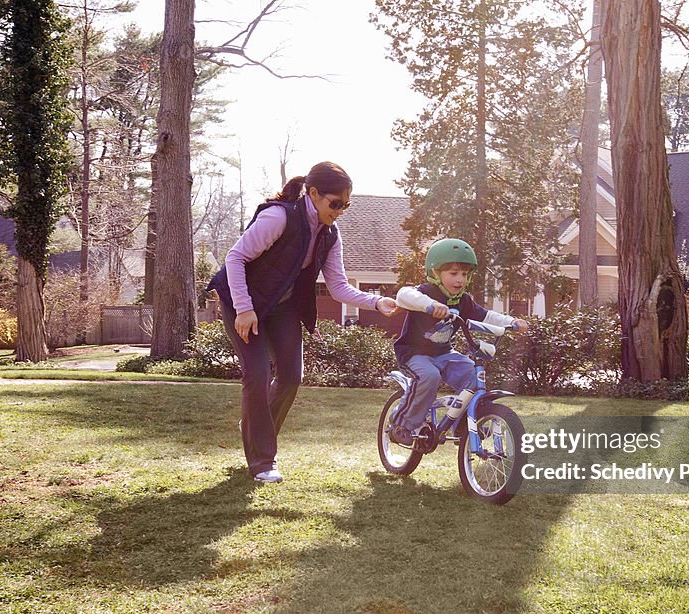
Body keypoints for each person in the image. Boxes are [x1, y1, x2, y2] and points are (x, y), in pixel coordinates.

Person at [207, 161, 398, 483]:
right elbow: (235, 257)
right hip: (242, 303)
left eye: (345, 206)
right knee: (257, 373)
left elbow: (337, 286)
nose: (339, 211)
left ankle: (254, 425)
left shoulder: (330, 236)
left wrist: (376, 302)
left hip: (282, 309)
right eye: (334, 203)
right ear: (313, 194)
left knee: (292, 377)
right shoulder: (278, 217)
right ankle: (263, 461)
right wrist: (243, 308)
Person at [389, 238, 529, 446]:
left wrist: (511, 322)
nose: (460, 279)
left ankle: (466, 424)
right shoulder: (426, 292)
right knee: (429, 376)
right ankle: (402, 424)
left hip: (444, 353)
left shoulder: (463, 300)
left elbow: (486, 315)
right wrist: (430, 305)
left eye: (464, 274)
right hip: (414, 354)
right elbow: (403, 295)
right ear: (435, 273)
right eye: (453, 273)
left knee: (471, 374)